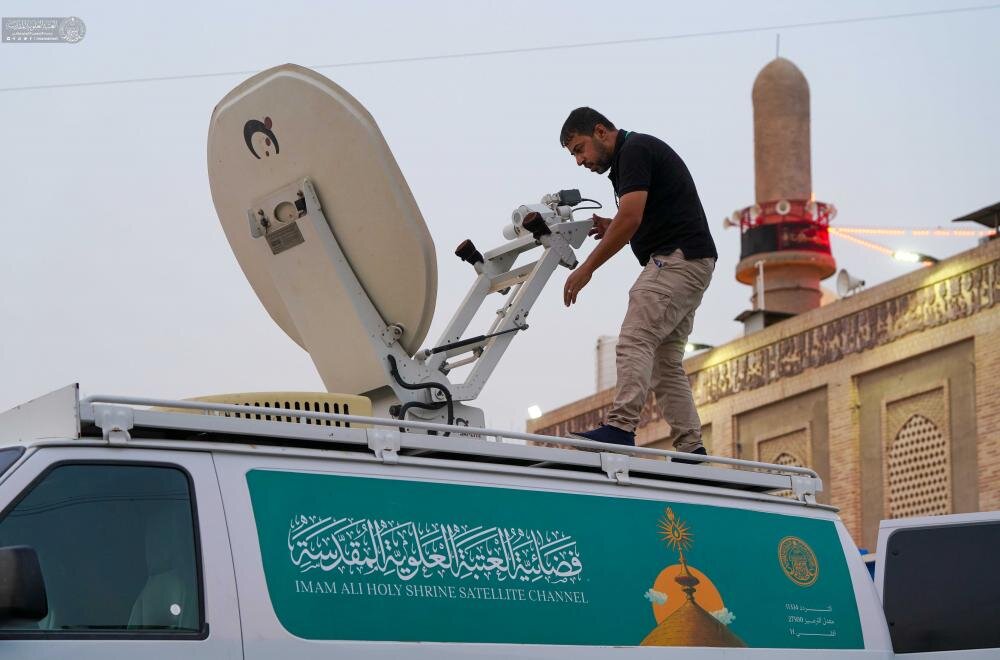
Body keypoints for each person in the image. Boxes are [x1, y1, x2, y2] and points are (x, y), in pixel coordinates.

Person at [560, 107, 716, 462]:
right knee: (665, 362)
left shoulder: (634, 151)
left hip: (676, 259)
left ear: (601, 131)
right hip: (694, 262)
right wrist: (612, 224)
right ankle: (692, 449)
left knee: (635, 339)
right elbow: (644, 213)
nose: (580, 161)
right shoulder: (631, 158)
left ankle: (620, 427)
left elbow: (631, 217)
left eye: (580, 149)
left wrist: (587, 268)